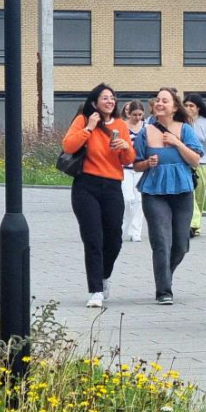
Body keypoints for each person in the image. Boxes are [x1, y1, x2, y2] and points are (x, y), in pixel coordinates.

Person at [61, 83, 137, 308]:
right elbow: (68, 146)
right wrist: (89, 128)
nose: (110, 101)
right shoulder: (84, 121)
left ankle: (104, 277)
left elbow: (128, 160)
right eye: (105, 98)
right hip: (86, 185)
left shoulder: (121, 125)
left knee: (113, 238)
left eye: (112, 98)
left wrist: (125, 146)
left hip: (113, 185)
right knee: (93, 238)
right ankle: (95, 290)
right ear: (94, 102)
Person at [134, 87, 206, 305]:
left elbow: (195, 160)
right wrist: (147, 163)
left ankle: (166, 272)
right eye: (157, 100)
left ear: (175, 107)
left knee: (181, 244)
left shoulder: (185, 130)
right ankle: (163, 289)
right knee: (161, 241)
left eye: (165, 101)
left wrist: (177, 143)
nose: (160, 103)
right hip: (154, 191)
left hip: (182, 191)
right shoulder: (145, 133)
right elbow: (135, 165)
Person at [184, 95, 206, 237]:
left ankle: (197, 224)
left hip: (203, 161)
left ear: (198, 108)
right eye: (186, 105)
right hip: (185, 162)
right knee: (190, 193)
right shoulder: (181, 122)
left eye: (191, 106)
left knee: (199, 195)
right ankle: (192, 223)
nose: (188, 108)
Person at [121, 100, 149, 245]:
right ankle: (122, 228)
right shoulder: (122, 126)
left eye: (140, 114)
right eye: (134, 115)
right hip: (125, 167)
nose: (137, 117)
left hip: (140, 167)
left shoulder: (146, 127)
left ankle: (135, 231)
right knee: (127, 199)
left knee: (139, 200)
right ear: (128, 113)